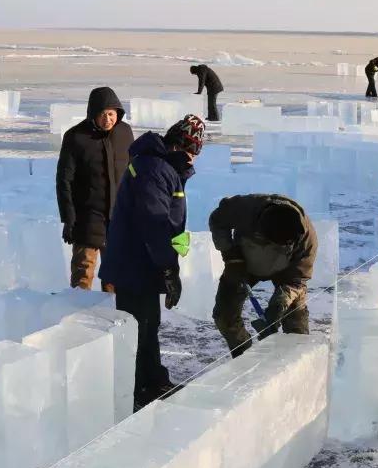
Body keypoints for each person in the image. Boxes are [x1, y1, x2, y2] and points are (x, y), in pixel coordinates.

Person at [99, 114, 205, 407]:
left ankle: (153, 378)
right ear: (178, 145)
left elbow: (169, 221)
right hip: (134, 262)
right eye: (192, 150)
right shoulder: (154, 169)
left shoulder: (163, 167)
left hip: (144, 261)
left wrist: (173, 259)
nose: (194, 158)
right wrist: (169, 269)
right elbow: (154, 223)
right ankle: (138, 388)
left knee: (149, 323)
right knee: (139, 327)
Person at [208, 194, 318, 357]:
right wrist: (231, 257)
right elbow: (217, 220)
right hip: (242, 264)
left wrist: (281, 301)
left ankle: (297, 360)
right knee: (224, 315)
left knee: (295, 322)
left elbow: (297, 280)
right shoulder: (244, 208)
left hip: (286, 272)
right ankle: (244, 356)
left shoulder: (307, 239)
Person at [56, 87, 134, 289]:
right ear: (93, 114)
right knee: (82, 274)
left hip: (118, 219)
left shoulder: (125, 133)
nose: (108, 119)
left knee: (116, 279)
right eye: (102, 114)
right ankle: (78, 308)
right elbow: (64, 180)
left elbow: (134, 173)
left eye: (111, 114)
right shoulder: (76, 137)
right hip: (87, 219)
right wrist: (68, 218)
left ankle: (112, 309)